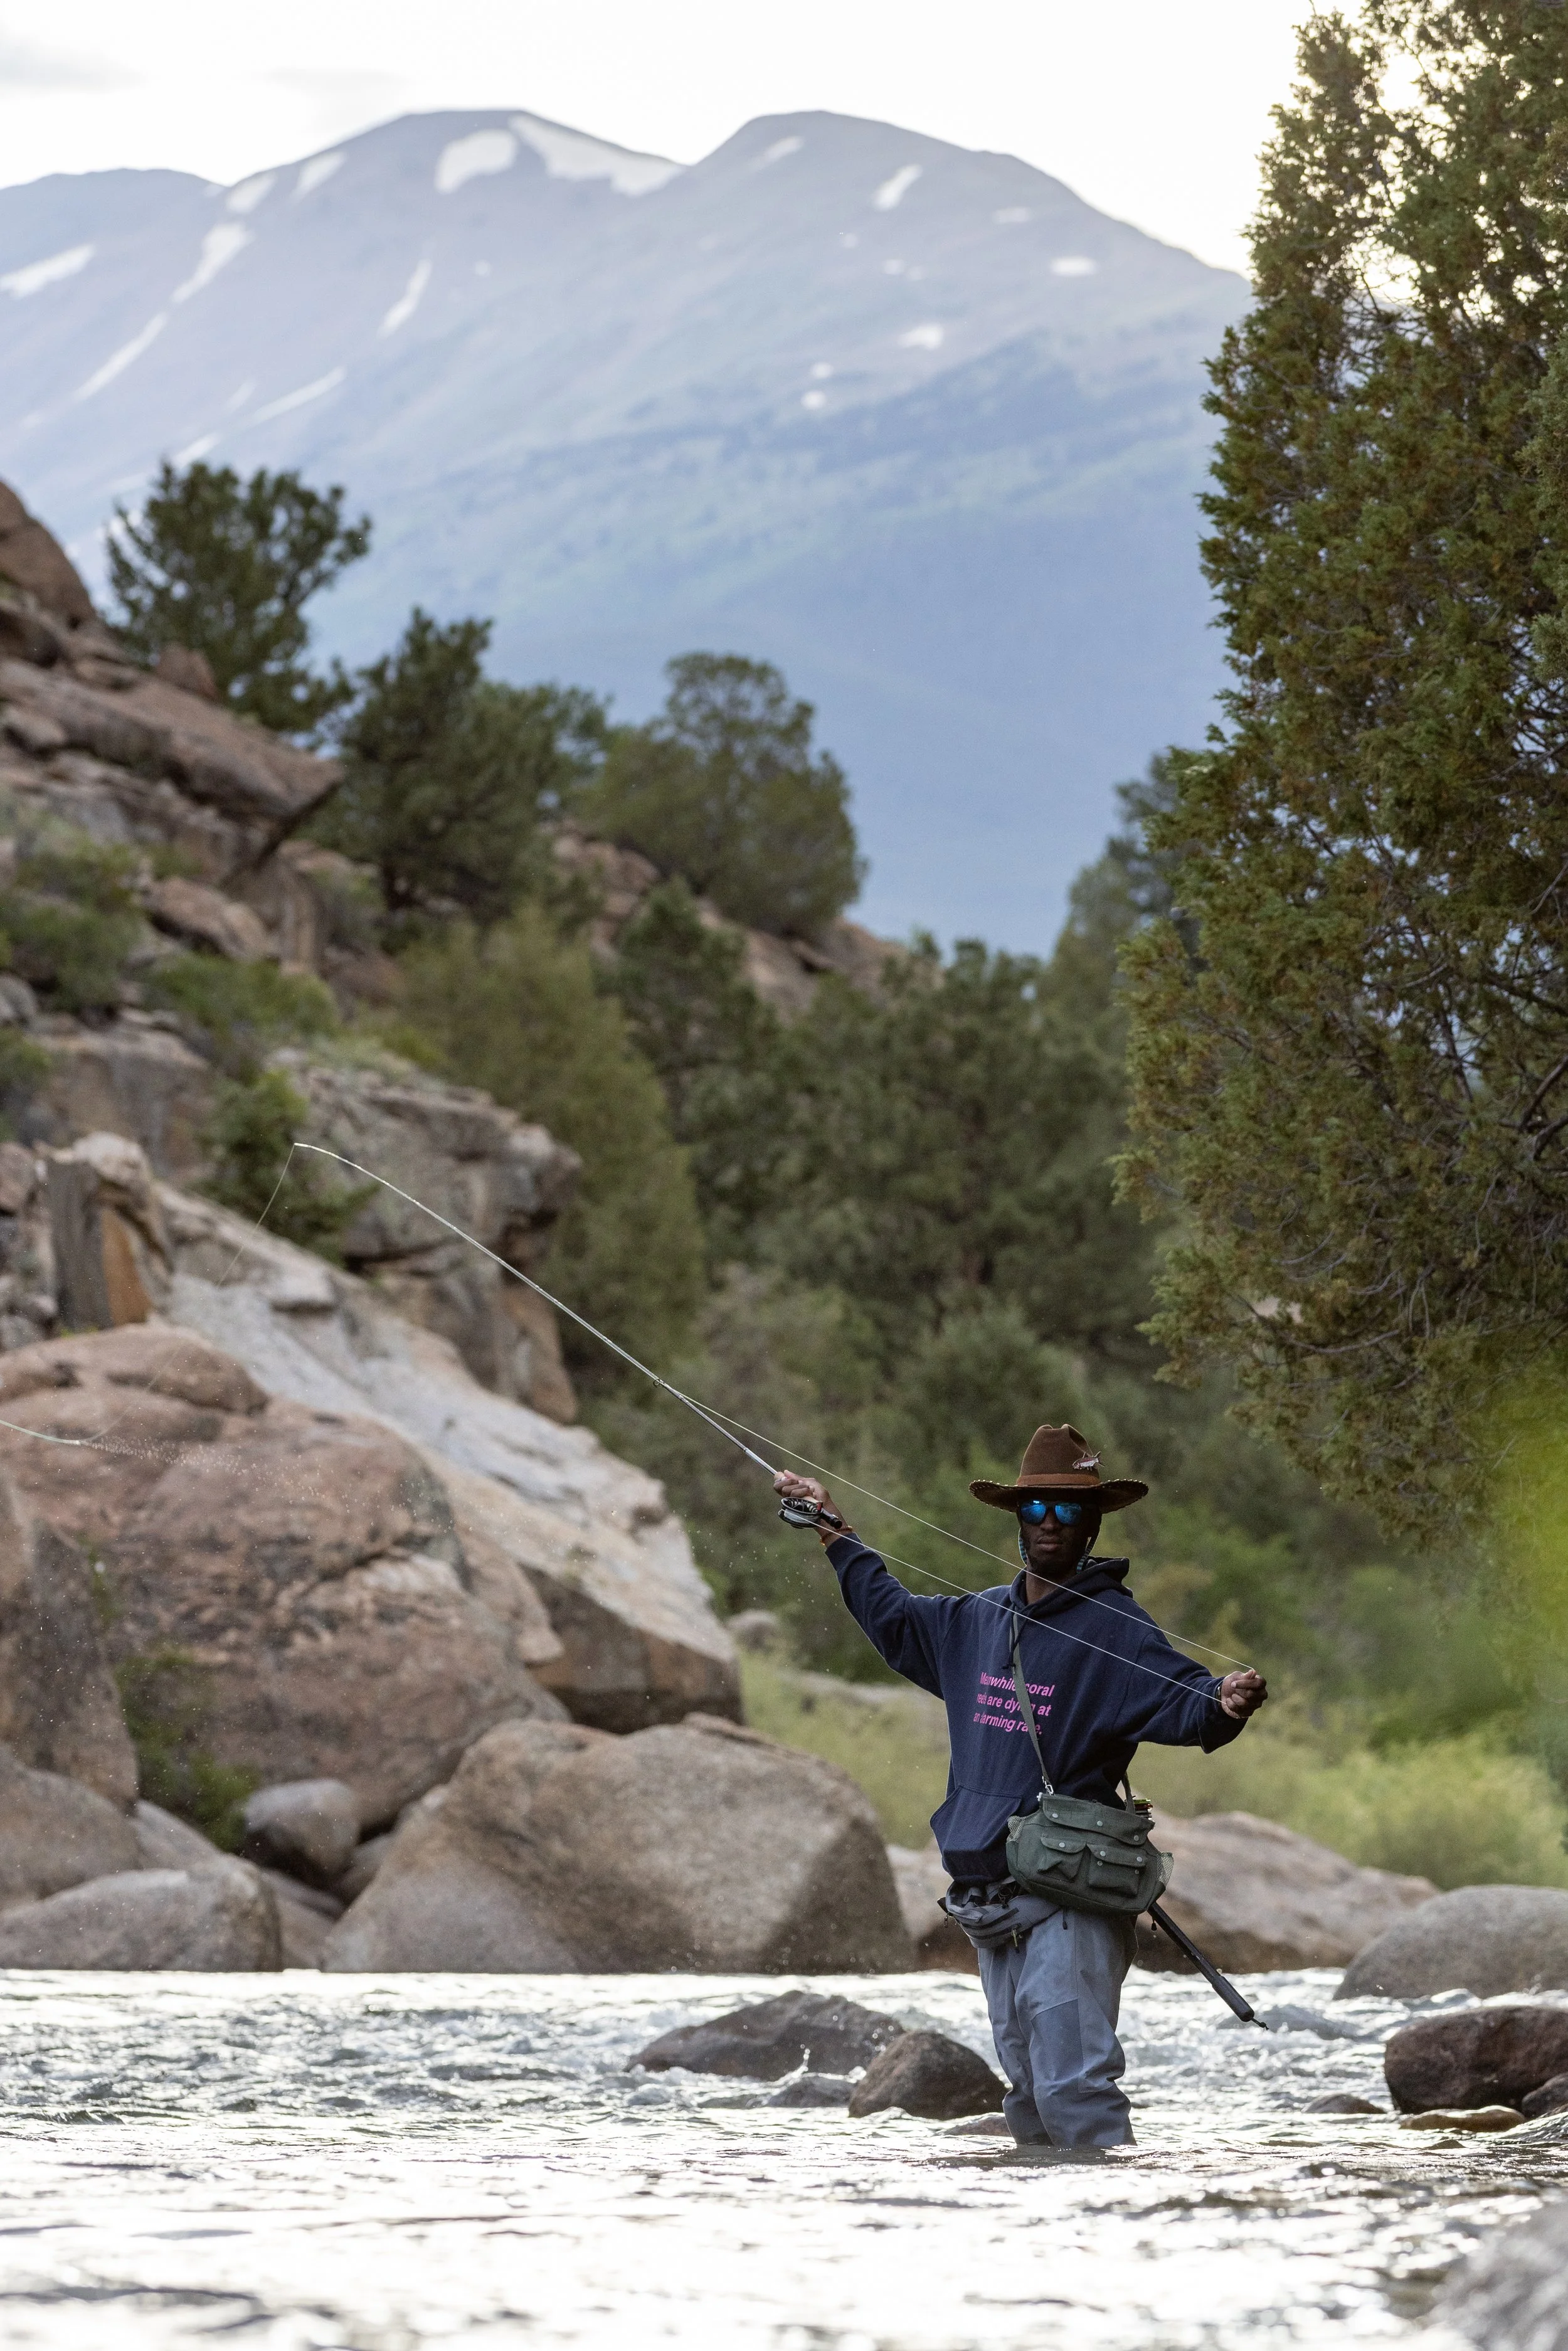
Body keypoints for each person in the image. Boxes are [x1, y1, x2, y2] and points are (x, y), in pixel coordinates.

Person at [774, 1423, 1268, 2149]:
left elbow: (1186, 1698)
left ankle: (1114, 2236)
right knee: (1030, 2098)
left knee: (1075, 2090)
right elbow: (891, 1615)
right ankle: (1045, 2246)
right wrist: (832, 1529)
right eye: (1034, 1508)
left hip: (1069, 1902)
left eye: (1067, 1511)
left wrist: (1225, 1701)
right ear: (1016, 1519)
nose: (1049, 1524)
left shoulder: (1117, 1629)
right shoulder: (975, 1620)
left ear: (1093, 1523)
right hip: (989, 1904)